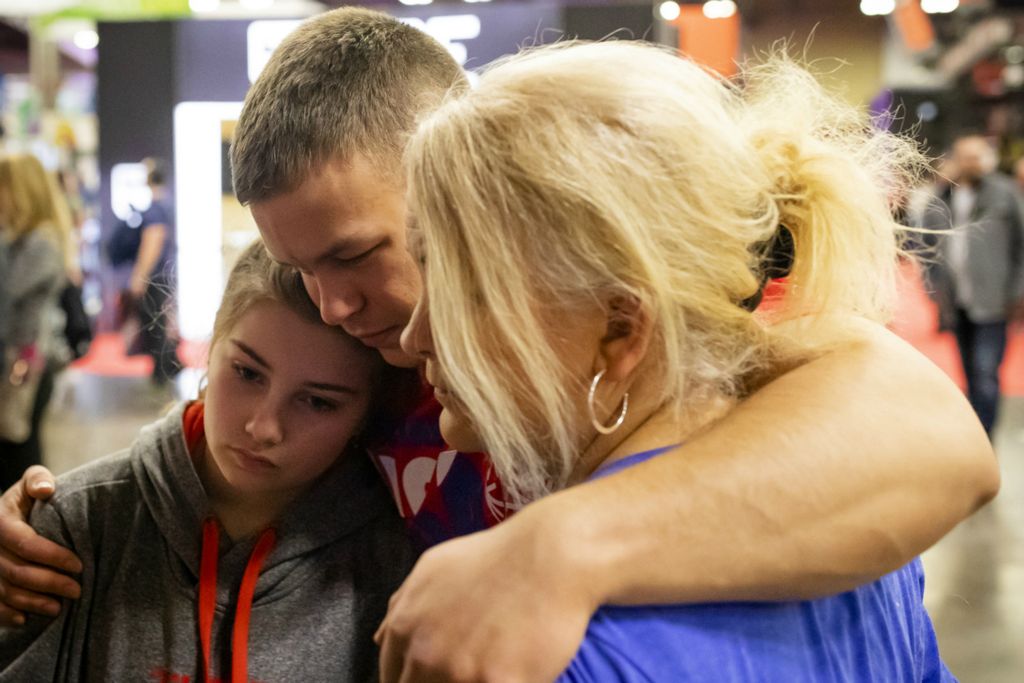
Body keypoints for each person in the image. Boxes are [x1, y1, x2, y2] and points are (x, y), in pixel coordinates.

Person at [0, 9, 999, 681]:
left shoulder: (673, 320)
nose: (334, 307)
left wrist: (559, 549)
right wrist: (71, 517)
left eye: (376, 253)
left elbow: (934, 440)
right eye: (298, 267)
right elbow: (229, 462)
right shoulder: (375, 361)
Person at [399, 40, 955, 681]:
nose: (417, 334)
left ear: (619, 328)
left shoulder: (525, 641)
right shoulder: (865, 528)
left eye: (456, 284)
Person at [0, 241, 417, 681]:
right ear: (212, 347)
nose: (264, 427)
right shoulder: (76, 524)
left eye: (317, 402)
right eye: (247, 373)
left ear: (368, 413)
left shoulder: (399, 560)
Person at [922, 135, 1024, 434]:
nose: (972, 163)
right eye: (966, 157)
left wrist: (1017, 290)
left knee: (985, 371)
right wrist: (934, 284)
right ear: (955, 159)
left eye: (978, 156)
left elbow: (1021, 246)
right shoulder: (942, 198)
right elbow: (925, 244)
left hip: (994, 300)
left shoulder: (1005, 194)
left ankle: (983, 433)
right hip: (956, 301)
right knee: (968, 370)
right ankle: (976, 426)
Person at [0, 154, 71, 491]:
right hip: (23, 358)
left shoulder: (38, 241)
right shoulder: (25, 239)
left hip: (26, 361)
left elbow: (11, 292)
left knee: (19, 456)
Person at [131, 157, 181, 385]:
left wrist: (139, 275)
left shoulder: (155, 208)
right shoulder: (167, 203)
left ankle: (161, 374)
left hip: (156, 276)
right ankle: (168, 368)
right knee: (164, 321)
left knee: (156, 325)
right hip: (166, 273)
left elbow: (153, 241)